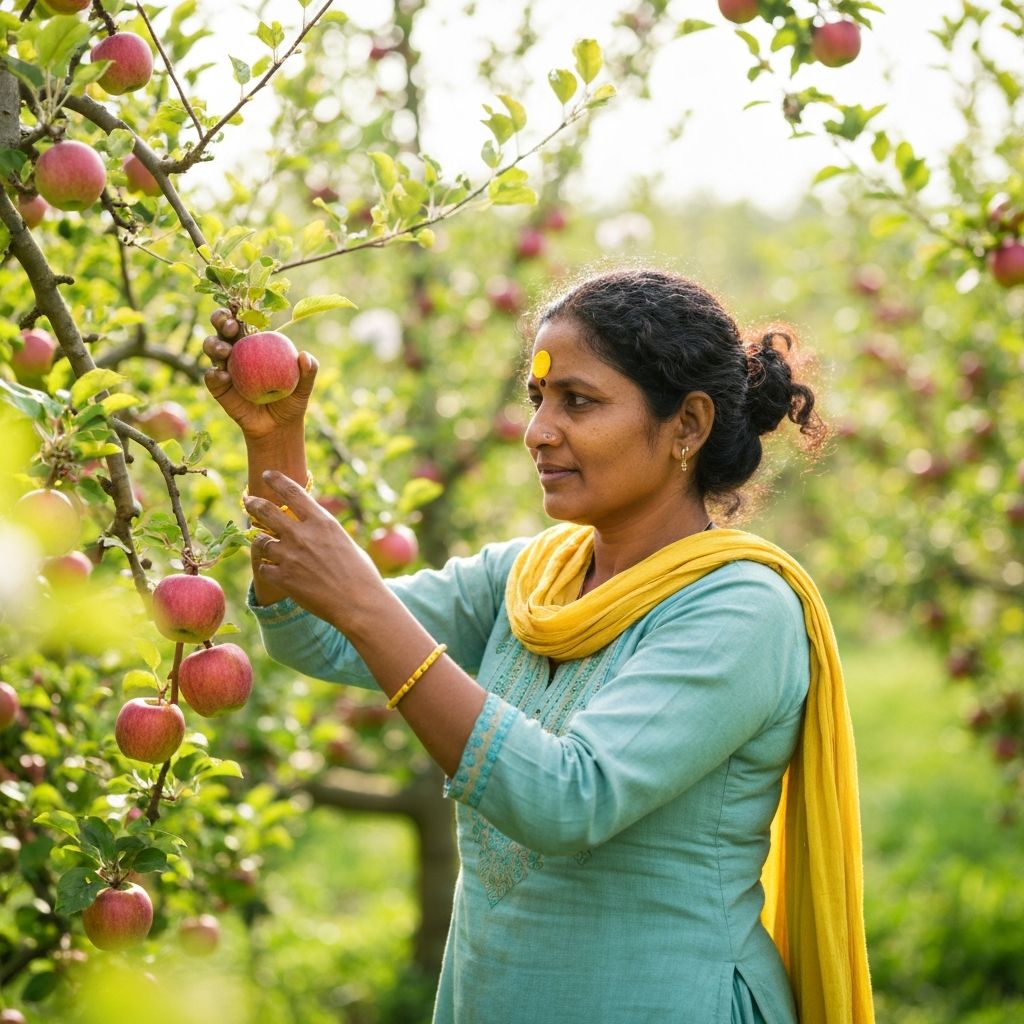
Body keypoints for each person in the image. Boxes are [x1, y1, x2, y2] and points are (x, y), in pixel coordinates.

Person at [204, 267, 874, 1024]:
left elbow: (568, 799)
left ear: (687, 425)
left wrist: (366, 600)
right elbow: (316, 632)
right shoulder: (532, 577)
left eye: (577, 401)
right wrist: (273, 439)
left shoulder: (742, 609)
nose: (538, 431)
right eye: (537, 400)